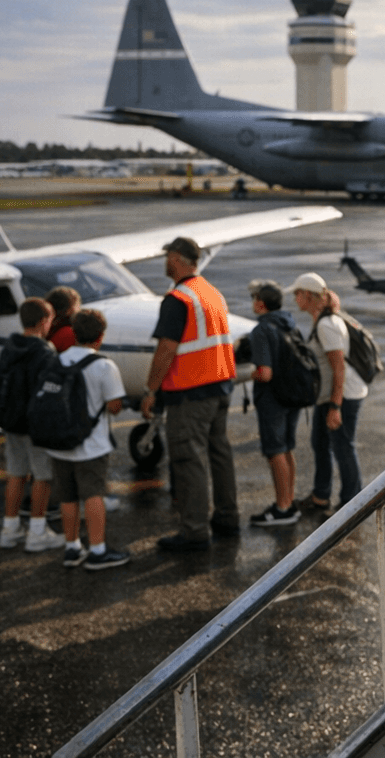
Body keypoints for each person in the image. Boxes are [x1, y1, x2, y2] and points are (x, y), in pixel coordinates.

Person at [140, 236, 239, 552]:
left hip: (190, 391)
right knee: (219, 454)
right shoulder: (211, 292)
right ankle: (227, 516)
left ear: (179, 258)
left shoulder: (179, 298)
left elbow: (166, 349)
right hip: (220, 385)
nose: (165, 262)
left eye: (168, 255)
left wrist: (150, 390)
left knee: (189, 460)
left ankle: (194, 530)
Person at [46, 308, 131, 571]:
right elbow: (114, 406)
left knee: (67, 497)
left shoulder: (57, 360)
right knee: (93, 494)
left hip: (59, 443)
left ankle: (72, 548)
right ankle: (97, 550)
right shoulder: (104, 365)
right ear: (100, 336)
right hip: (90, 445)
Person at [290, 273, 367, 515]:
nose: (295, 299)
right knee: (320, 444)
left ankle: (352, 504)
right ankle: (321, 496)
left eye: (297, 294)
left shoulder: (326, 325)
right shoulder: (320, 320)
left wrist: (335, 407)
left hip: (342, 396)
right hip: (329, 396)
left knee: (343, 447)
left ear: (309, 296)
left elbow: (338, 368)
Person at [0, 297, 66, 552]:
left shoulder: (11, 346)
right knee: (42, 477)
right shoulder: (45, 352)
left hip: (11, 420)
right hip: (35, 424)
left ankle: (10, 528)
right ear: (44, 321)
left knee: (16, 473)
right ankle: (37, 530)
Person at [247, 279, 301, 526]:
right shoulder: (289, 324)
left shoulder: (261, 330)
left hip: (272, 399)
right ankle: (289, 501)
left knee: (275, 451)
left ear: (261, 303)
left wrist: (249, 374)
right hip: (293, 395)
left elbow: (265, 373)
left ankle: (282, 508)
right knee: (287, 447)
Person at [45, 286, 81, 353]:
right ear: (70, 310)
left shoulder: (44, 325)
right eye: (78, 305)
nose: (80, 309)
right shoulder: (68, 332)